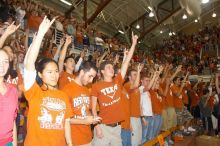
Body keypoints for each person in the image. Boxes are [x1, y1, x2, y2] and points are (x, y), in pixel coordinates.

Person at [23, 16, 100, 146]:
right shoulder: (34, 92)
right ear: (40, 75)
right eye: (49, 72)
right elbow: (29, 63)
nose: (54, 75)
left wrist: (69, 143)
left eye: (56, 71)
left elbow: (66, 122)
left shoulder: (62, 95)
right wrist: (41, 34)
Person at [91, 32, 138, 146]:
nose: (112, 69)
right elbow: (92, 109)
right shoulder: (96, 86)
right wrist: (97, 127)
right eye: (108, 67)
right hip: (103, 127)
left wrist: (134, 44)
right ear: (102, 71)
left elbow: (126, 62)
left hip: (117, 128)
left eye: (112, 67)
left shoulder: (118, 81)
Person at [62, 61, 99, 146]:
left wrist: (92, 118)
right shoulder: (67, 90)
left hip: (88, 138)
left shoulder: (86, 89)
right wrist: (84, 121)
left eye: (93, 77)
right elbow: (64, 119)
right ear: (82, 72)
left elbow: (87, 111)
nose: (91, 80)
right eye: (90, 76)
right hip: (74, 140)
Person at [0, 22, 20, 146]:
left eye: (6, 61)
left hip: (8, 142)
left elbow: (13, 121)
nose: (2, 64)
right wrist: (6, 34)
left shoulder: (12, 90)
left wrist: (14, 143)